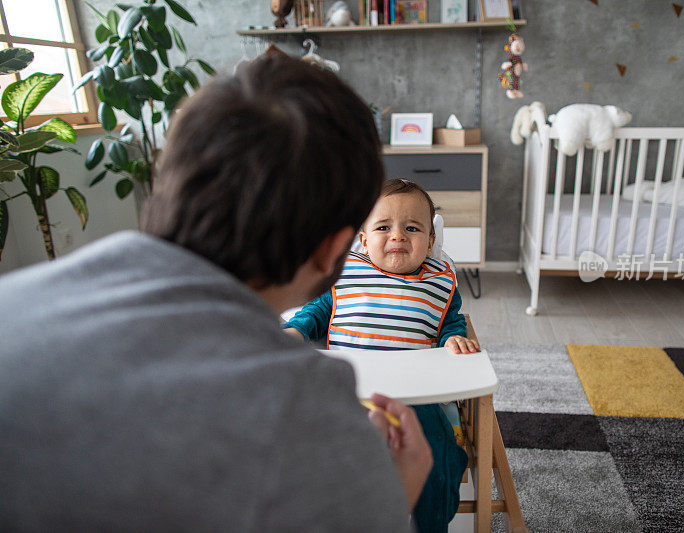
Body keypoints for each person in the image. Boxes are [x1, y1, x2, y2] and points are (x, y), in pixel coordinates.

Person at [0, 51, 433, 531]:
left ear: (172, 179)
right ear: (333, 249)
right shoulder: (308, 416)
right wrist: (394, 497)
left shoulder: (11, 303)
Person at [283, 178, 480, 532]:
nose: (398, 236)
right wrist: (295, 331)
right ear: (362, 239)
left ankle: (431, 522)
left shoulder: (437, 282)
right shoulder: (347, 276)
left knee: (436, 452)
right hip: (349, 393)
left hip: (415, 398)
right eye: (384, 227)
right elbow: (316, 312)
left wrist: (453, 339)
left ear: (431, 241)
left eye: (413, 228)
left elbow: (451, 322)